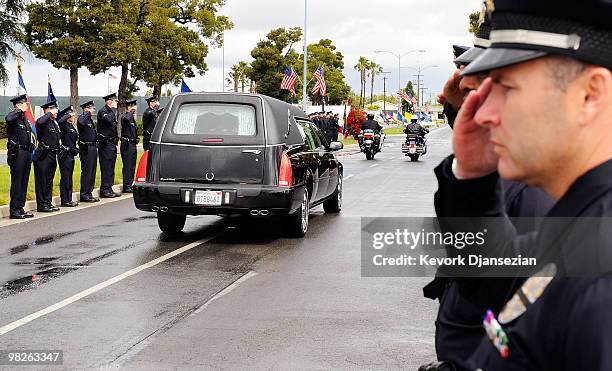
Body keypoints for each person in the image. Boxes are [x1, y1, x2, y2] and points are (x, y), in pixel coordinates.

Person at [433, 0, 612, 369]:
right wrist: (474, 178)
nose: (482, 113)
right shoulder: (585, 224)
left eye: (506, 87)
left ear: (590, 95)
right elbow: (496, 275)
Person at [421, 4, 555, 369]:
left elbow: (519, 323)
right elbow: (493, 285)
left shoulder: (539, 192)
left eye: (503, 86)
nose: (481, 108)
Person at [5, 94, 34, 219]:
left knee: (24, 181)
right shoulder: (14, 116)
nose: (27, 106)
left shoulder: (24, 119)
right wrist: (18, 110)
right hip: (17, 153)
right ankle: (14, 210)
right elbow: (8, 118)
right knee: (17, 182)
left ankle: (20, 208)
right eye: (24, 104)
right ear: (18, 105)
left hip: (26, 152)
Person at [34, 100, 60, 213]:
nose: (56, 112)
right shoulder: (43, 121)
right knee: (42, 181)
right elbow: (39, 122)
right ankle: (42, 204)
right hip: (43, 155)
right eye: (53, 110)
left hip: (52, 154)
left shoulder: (53, 123)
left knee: (49, 180)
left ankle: (47, 202)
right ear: (47, 110)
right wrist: (49, 113)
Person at [97, 93, 120, 198]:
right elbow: (108, 120)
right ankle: (104, 189)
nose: (116, 103)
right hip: (105, 144)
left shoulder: (110, 112)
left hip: (111, 143)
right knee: (106, 167)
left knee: (111, 167)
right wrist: (114, 110)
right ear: (109, 101)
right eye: (114, 101)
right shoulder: (103, 111)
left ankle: (109, 188)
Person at [77, 100, 99, 203]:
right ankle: (84, 194)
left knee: (92, 172)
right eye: (91, 108)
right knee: (87, 172)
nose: (93, 110)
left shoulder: (90, 120)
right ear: (86, 109)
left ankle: (89, 193)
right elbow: (80, 122)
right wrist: (87, 113)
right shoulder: (83, 118)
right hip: (86, 149)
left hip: (93, 148)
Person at [57, 106, 79, 207]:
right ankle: (65, 200)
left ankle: (69, 198)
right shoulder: (64, 125)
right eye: (72, 115)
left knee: (69, 177)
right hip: (65, 155)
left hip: (71, 154)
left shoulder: (71, 126)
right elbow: (60, 120)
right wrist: (68, 115)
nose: (74, 117)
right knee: (65, 177)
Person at [120, 99, 139, 193]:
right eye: (133, 107)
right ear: (130, 107)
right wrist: (131, 111)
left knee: (132, 166)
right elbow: (126, 119)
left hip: (132, 144)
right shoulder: (125, 117)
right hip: (126, 145)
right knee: (127, 166)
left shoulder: (132, 119)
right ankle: (126, 186)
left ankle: (130, 184)